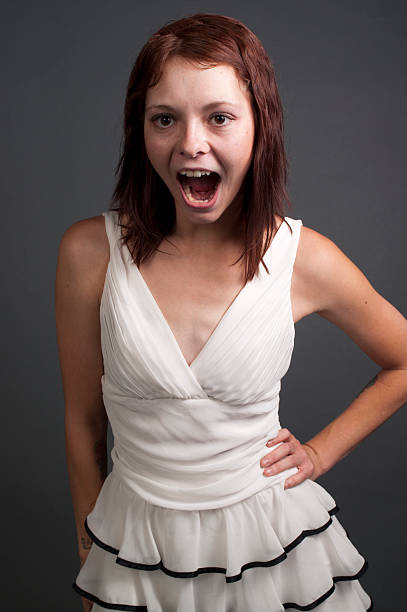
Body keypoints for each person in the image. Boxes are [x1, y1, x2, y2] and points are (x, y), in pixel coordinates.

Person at [55, 13, 407, 612]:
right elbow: (84, 421)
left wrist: (319, 453)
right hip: (133, 549)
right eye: (164, 118)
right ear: (139, 131)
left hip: (269, 548)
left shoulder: (303, 258)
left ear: (259, 126)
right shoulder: (89, 254)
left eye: (219, 117)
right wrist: (92, 549)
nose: (191, 143)